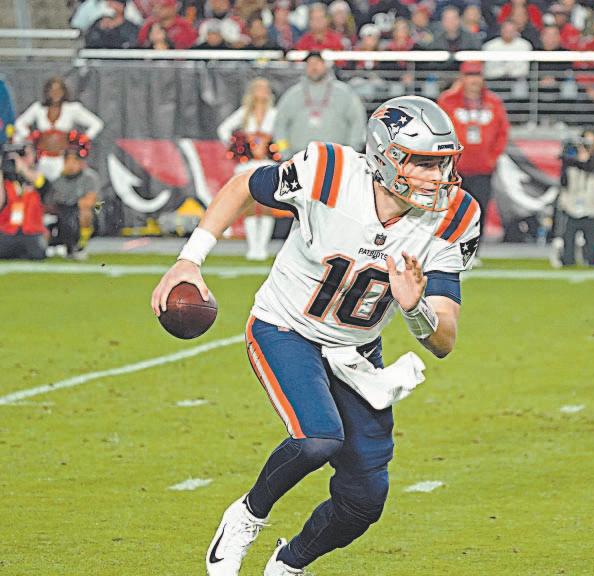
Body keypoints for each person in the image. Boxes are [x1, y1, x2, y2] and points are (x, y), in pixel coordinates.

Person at [150, 95, 479, 576]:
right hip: (286, 327)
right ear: (385, 157)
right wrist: (189, 260)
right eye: (424, 163)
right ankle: (246, 516)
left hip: (355, 351)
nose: (438, 177)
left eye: (442, 164)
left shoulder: (455, 216)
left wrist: (415, 309)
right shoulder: (328, 172)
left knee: (364, 500)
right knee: (317, 438)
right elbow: (244, 186)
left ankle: (288, 565)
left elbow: (444, 339)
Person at [437, 61, 510, 241]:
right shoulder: (447, 101)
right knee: (451, 212)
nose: (474, 80)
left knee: (479, 211)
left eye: (477, 75)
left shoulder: (494, 102)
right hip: (454, 170)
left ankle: (474, 250)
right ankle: (449, 249)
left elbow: (503, 133)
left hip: (482, 170)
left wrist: (492, 158)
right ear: (462, 78)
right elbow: (438, 130)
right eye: (469, 75)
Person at [218, 77, 282, 261]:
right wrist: (239, 146)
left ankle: (263, 248)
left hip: (269, 164)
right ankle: (253, 248)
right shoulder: (244, 113)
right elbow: (223, 129)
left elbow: (284, 134)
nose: (263, 92)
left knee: (267, 204)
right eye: (259, 88)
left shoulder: (275, 114)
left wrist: (274, 146)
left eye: (265, 88)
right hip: (247, 165)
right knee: (250, 205)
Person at [273, 51, 367, 156]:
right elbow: (279, 125)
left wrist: (352, 150)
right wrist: (284, 152)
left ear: (325, 65)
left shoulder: (344, 93)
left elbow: (358, 121)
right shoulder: (292, 94)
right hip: (300, 157)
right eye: (310, 64)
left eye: (317, 63)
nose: (314, 67)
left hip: (336, 156)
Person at [14, 77, 104, 183]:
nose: (55, 93)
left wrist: (84, 138)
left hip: (62, 160)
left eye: (58, 90)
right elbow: (19, 123)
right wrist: (27, 135)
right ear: (47, 92)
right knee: (40, 187)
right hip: (41, 159)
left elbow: (97, 124)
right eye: (52, 90)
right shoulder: (38, 108)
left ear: (64, 92)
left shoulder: (72, 109)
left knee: (60, 188)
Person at [554, 129, 594, 267]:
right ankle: (564, 255)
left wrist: (585, 158)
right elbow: (563, 181)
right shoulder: (570, 163)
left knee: (592, 255)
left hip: (591, 211)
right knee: (568, 255)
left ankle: (589, 256)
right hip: (571, 209)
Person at [44, 132, 100, 260]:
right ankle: (50, 245)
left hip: (80, 213)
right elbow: (50, 203)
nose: (71, 164)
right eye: (68, 160)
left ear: (80, 162)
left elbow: (90, 201)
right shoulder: (58, 180)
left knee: (84, 212)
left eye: (74, 161)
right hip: (62, 214)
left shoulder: (89, 177)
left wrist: (71, 206)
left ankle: (81, 245)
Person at [0, 143, 48, 260]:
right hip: (7, 230)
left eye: (25, 154)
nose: (22, 158)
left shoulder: (38, 177)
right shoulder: (5, 181)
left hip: (31, 231)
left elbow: (42, 184)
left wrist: (22, 168)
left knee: (36, 254)